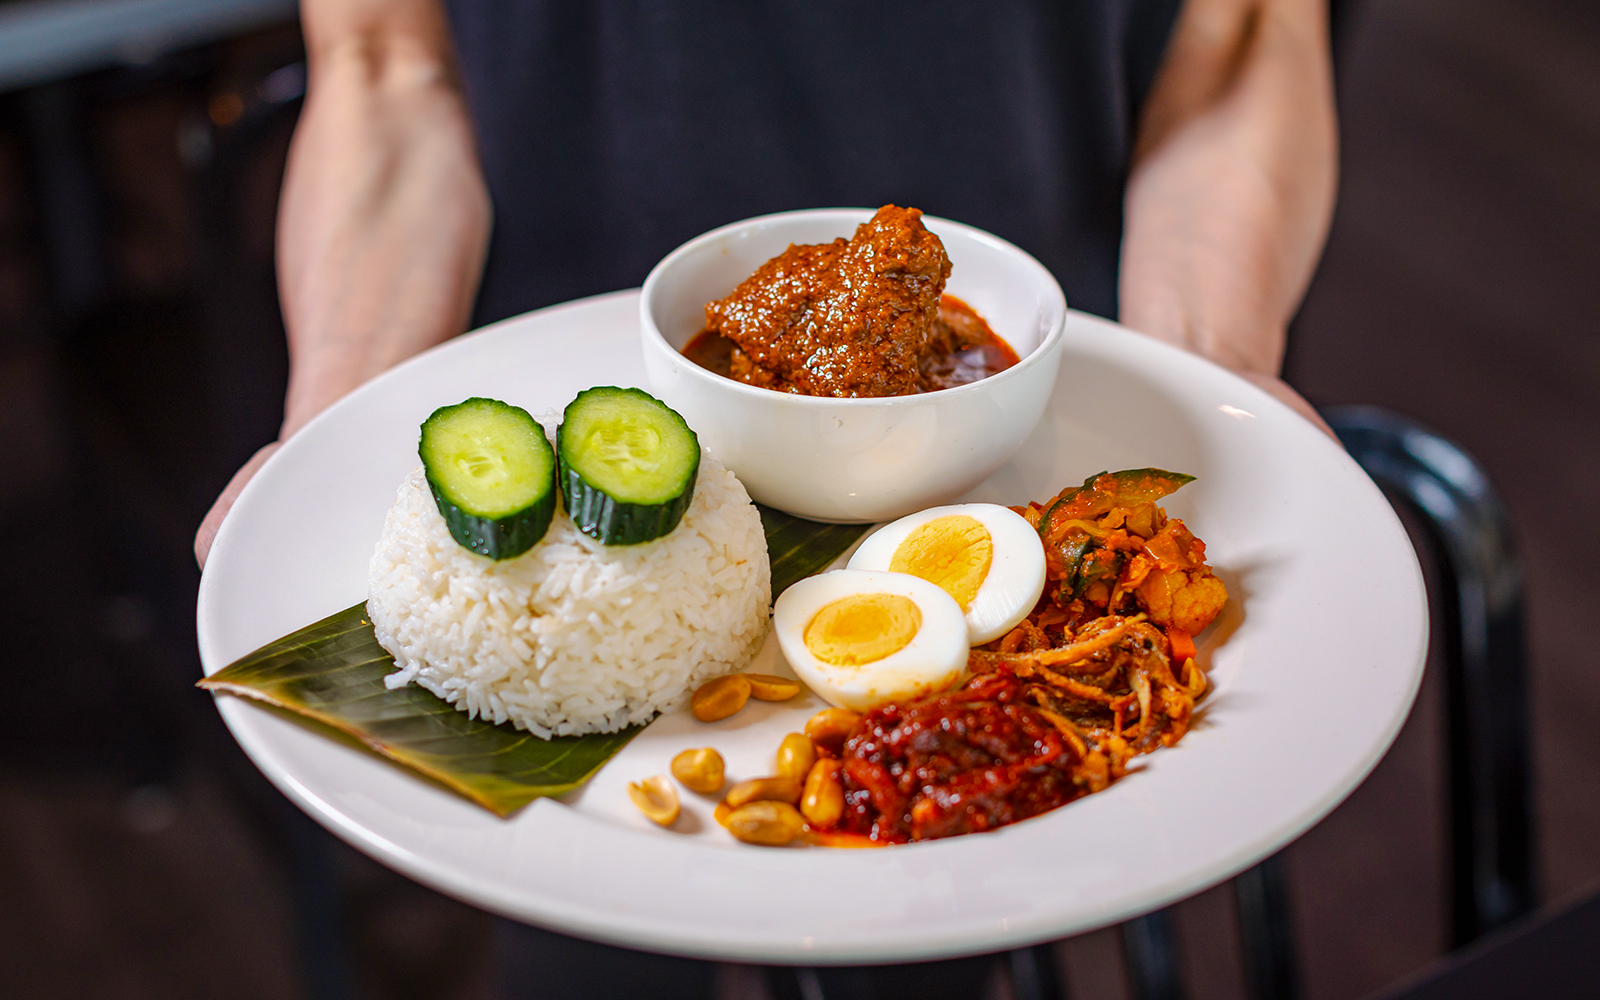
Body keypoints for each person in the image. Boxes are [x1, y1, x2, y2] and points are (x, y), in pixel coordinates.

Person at [192, 0, 1335, 993]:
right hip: (574, 415)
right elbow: (388, 64)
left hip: (1014, 416)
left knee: (936, 922)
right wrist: (330, 420)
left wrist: (1208, 364)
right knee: (584, 951)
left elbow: (1238, 32)